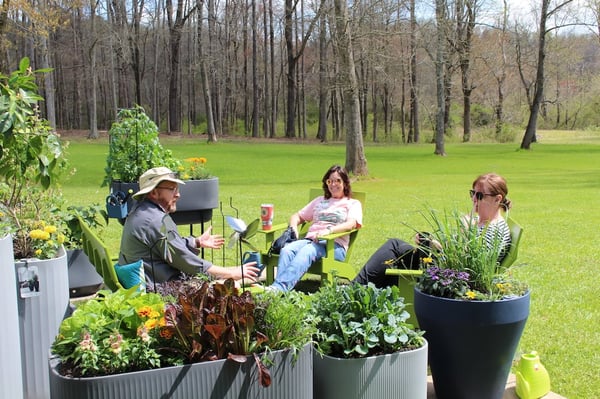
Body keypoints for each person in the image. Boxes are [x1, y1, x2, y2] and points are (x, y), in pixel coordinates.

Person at [353, 173, 512, 288]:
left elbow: (472, 268)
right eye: (473, 193)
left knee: (394, 249)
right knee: (394, 248)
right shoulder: (481, 222)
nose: (473, 199)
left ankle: (354, 290)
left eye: (479, 195)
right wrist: (431, 243)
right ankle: (357, 290)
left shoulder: (495, 230)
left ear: (497, 199)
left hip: (449, 278)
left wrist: (464, 231)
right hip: (442, 265)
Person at [119, 167, 260, 285]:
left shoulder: (142, 211)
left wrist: (196, 242)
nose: (178, 195)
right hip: (159, 288)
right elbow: (187, 262)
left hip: (146, 280)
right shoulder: (158, 221)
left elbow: (171, 245)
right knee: (227, 285)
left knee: (237, 277)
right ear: (154, 192)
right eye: (173, 189)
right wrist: (231, 272)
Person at [269, 165, 363, 292]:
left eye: (338, 181)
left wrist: (329, 231)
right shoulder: (320, 201)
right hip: (311, 240)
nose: (333, 184)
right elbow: (296, 216)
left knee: (307, 251)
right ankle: (279, 289)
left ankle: (278, 289)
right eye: (330, 181)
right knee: (287, 250)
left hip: (334, 246)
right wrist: (293, 229)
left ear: (345, 183)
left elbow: (351, 224)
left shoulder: (352, 203)